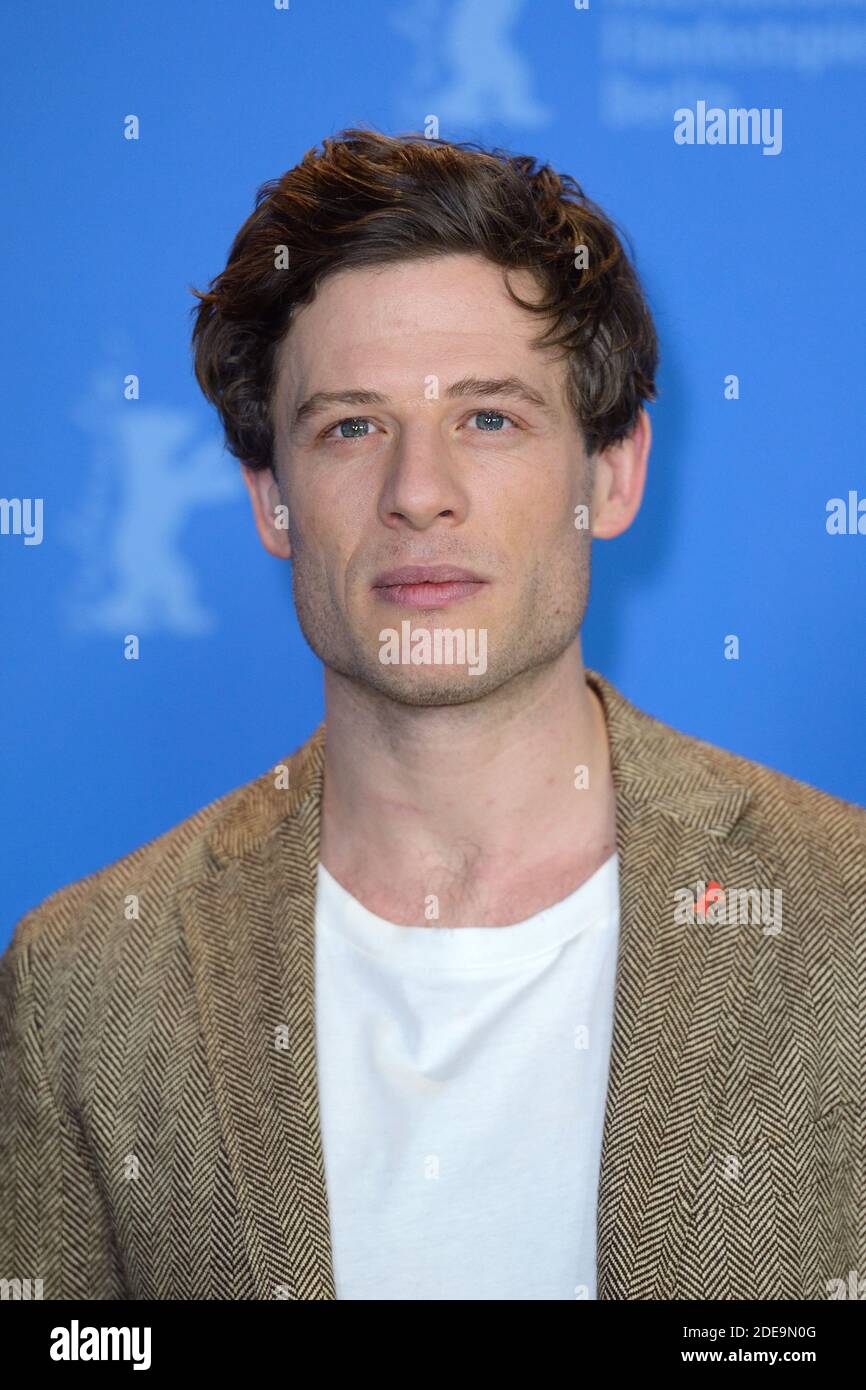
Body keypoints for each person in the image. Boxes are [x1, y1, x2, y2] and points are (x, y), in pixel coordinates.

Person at [1, 129, 863, 1301]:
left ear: (610, 474)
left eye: (489, 418)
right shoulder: (86, 981)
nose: (418, 493)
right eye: (350, 425)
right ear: (270, 498)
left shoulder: (841, 919)